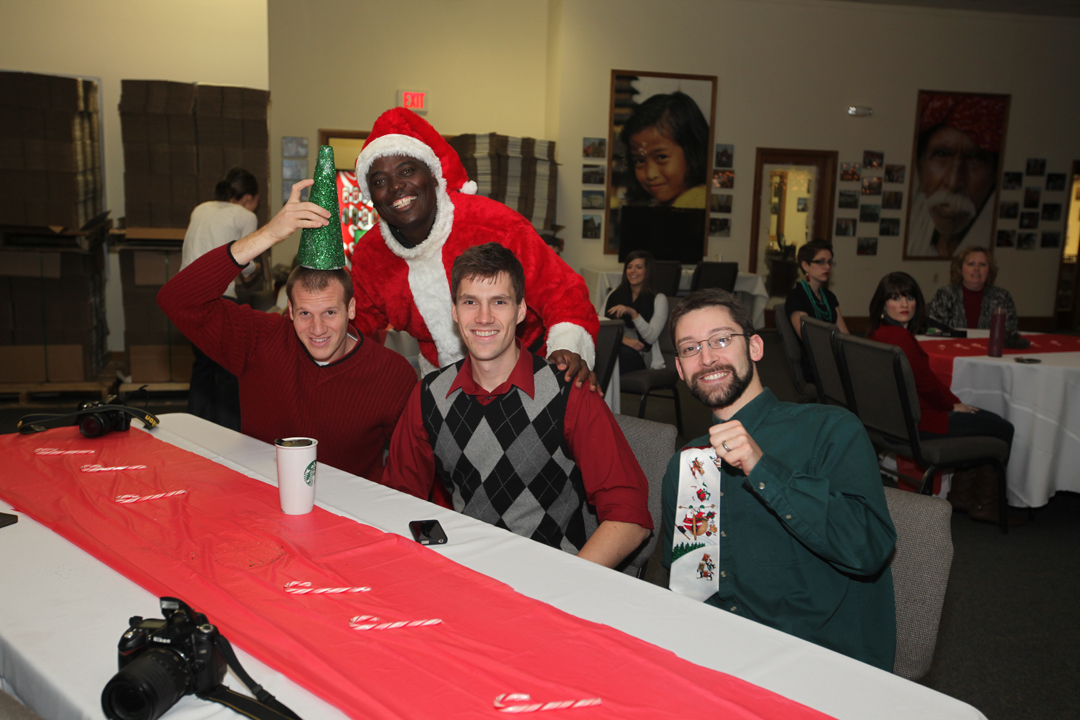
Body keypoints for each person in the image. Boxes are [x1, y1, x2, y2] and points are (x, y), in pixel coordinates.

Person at [661, 288, 896, 671]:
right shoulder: (687, 464)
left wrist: (761, 466)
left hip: (819, 664)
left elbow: (868, 549)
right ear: (680, 369)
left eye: (721, 340)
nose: (706, 358)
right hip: (719, 657)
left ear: (755, 347)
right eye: (690, 348)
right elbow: (689, 581)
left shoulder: (829, 429)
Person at [383, 243, 653, 568]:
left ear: (521, 310)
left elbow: (630, 517)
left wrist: (567, 584)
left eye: (499, 301)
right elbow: (397, 499)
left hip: (554, 574)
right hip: (467, 572)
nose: (484, 317)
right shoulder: (428, 395)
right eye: (470, 302)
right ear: (454, 311)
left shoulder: (569, 392)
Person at [159, 179, 417, 482]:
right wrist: (269, 234)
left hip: (348, 508)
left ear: (351, 309)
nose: (317, 329)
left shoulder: (392, 375)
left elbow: (411, 469)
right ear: (290, 311)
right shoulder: (258, 339)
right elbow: (176, 300)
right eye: (305, 313)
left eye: (330, 312)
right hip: (259, 499)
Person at [350, 108, 599, 386]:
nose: (396, 186)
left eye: (407, 171)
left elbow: (562, 292)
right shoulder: (371, 256)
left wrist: (567, 348)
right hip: (441, 384)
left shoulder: (493, 224)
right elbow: (353, 321)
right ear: (371, 195)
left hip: (527, 372)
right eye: (380, 181)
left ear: (433, 174)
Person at [867, 272, 1018, 524]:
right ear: (882, 304)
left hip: (896, 422)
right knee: (1002, 428)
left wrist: (954, 403)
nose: (904, 304)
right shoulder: (900, 338)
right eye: (895, 298)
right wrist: (951, 406)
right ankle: (985, 504)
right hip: (921, 424)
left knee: (977, 415)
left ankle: (962, 497)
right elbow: (925, 385)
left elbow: (926, 381)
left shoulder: (878, 333)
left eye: (909, 297)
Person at [179, 168, 261, 431]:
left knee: (202, 365)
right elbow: (245, 261)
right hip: (217, 295)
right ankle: (229, 433)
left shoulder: (200, 209)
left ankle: (195, 430)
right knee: (228, 368)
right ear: (248, 198)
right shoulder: (245, 216)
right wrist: (255, 269)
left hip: (185, 295)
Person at [906, 92, 1008, 258]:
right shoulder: (913, 231)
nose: (953, 182)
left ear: (994, 176)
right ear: (920, 168)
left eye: (975, 158)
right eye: (941, 154)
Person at [620, 91, 709, 209]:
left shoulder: (699, 207)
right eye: (639, 161)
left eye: (661, 157)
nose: (650, 174)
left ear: (692, 153)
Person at [926, 247, 1024, 344]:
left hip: (988, 349)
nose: (976, 269)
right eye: (971, 264)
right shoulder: (944, 295)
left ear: (989, 270)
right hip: (951, 347)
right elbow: (933, 330)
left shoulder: (1002, 297)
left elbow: (1010, 333)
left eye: (982, 264)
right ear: (960, 269)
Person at [784, 239, 849, 380]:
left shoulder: (829, 296)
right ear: (805, 265)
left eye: (829, 262)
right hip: (816, 363)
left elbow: (845, 334)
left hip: (834, 355)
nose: (827, 266)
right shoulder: (797, 297)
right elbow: (808, 338)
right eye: (821, 262)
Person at [604, 250, 668, 372]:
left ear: (648, 271)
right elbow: (600, 325)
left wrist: (633, 313)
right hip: (615, 344)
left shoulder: (659, 299)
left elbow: (651, 337)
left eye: (639, 267)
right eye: (629, 267)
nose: (632, 271)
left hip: (642, 353)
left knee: (612, 356)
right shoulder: (614, 294)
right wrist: (623, 340)